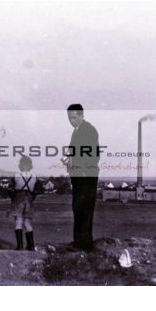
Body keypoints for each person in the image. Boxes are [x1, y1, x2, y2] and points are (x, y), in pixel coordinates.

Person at [64, 104, 100, 251]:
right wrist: (69, 161)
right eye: (69, 118)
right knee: (78, 207)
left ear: (81, 115)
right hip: (79, 175)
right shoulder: (77, 130)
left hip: (86, 176)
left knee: (84, 209)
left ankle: (85, 245)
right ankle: (79, 242)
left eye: (74, 118)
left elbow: (94, 155)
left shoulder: (89, 130)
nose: (71, 121)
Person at [8, 156, 37, 251]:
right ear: (30, 166)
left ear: (20, 165)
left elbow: (10, 189)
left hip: (18, 198)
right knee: (27, 222)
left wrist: (13, 198)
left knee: (18, 221)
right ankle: (31, 246)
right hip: (29, 199)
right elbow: (38, 190)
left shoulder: (16, 176)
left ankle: (20, 246)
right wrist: (32, 197)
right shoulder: (34, 176)